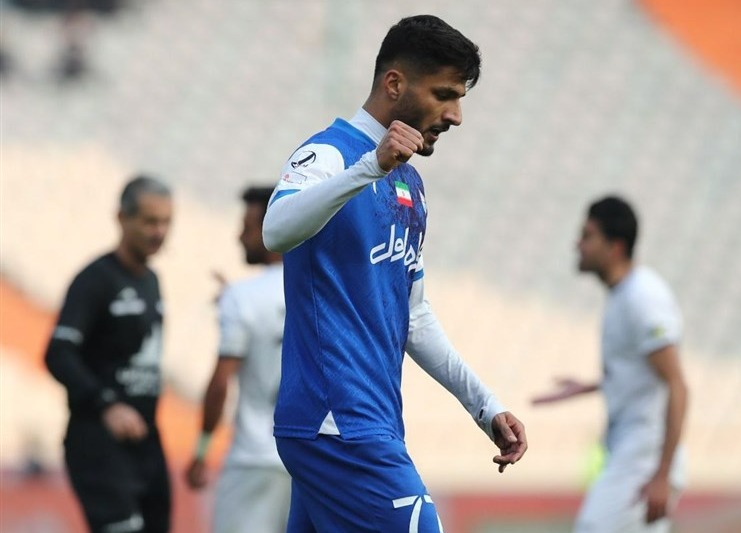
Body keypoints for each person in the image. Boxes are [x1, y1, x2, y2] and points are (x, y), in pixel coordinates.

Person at [262, 14, 528, 532]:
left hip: (370, 420)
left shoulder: (409, 184)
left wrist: (485, 406)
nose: (455, 116)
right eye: (444, 95)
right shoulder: (329, 153)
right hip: (337, 421)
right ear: (394, 84)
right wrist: (369, 167)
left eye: (459, 99)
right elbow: (275, 230)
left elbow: (414, 316)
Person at [532, 196, 689, 533]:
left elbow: (677, 384)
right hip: (634, 451)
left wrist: (662, 474)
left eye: (588, 236)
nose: (578, 244)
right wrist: (591, 386)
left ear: (615, 247)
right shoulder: (623, 294)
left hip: (645, 455)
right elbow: (642, 373)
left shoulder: (643, 297)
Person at [44, 175, 173, 533]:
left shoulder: (152, 281)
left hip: (146, 439)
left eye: (166, 222)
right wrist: (107, 404)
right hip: (98, 439)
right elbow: (58, 353)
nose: (159, 232)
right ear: (122, 218)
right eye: (150, 221)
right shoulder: (95, 280)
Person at [185, 186, 290, 533]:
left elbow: (220, 383)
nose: (239, 236)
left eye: (247, 228)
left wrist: (202, 450)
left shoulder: (242, 298)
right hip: (309, 460)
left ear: (272, 228)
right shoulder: (325, 291)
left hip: (253, 459)